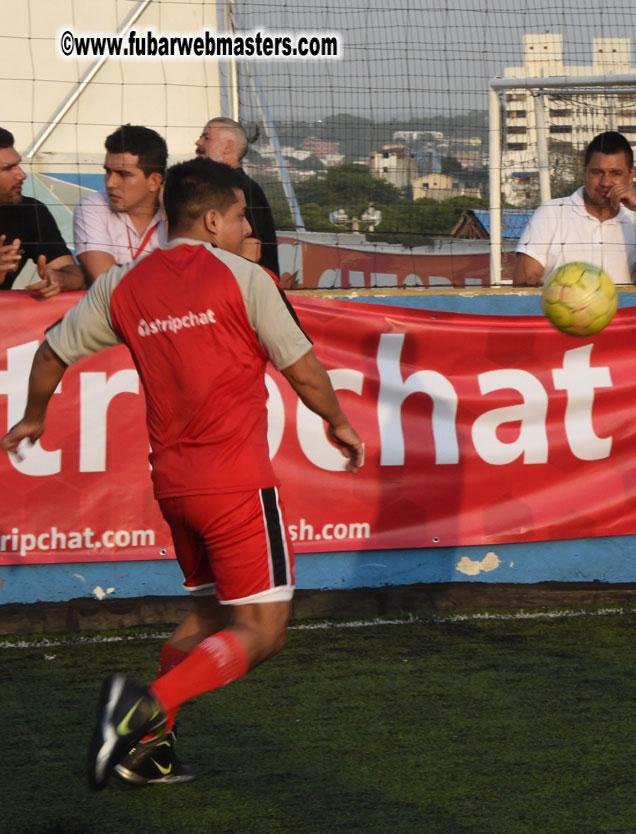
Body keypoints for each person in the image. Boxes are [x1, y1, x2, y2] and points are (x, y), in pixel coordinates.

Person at [1, 158, 365, 790]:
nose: (248, 226)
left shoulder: (124, 284)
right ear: (216, 218)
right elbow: (303, 368)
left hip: (173, 487)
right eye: (243, 215)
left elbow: (51, 352)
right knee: (264, 630)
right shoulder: (245, 278)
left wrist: (33, 417)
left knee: (209, 616)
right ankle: (142, 709)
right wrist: (338, 421)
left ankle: (149, 750)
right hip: (235, 484)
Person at [513, 131, 636, 287]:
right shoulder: (550, 213)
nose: (605, 182)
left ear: (631, 174)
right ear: (585, 170)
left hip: (622, 311)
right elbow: (522, 281)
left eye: (616, 173)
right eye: (597, 172)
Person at [73, 124, 167, 282]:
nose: (110, 183)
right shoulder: (91, 207)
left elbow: (192, 277)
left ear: (154, 181)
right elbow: (106, 285)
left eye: (123, 174)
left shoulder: (179, 209)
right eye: (108, 172)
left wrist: (171, 216)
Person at [0, 127, 84, 297]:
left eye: (18, 165)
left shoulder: (30, 211)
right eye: (9, 168)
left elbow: (75, 277)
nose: (22, 175)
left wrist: (59, 279)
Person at [195, 117, 281, 277]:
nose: (198, 142)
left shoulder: (245, 191)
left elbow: (251, 251)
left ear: (228, 146)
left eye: (206, 138)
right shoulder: (227, 187)